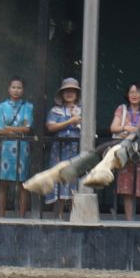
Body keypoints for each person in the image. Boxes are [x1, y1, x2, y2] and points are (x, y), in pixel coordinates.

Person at [111, 83, 140, 222]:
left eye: (137, 92)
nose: (134, 95)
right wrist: (126, 127)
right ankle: (129, 223)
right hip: (126, 152)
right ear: (127, 95)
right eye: (131, 92)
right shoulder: (121, 109)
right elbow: (113, 127)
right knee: (127, 191)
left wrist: (132, 130)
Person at [43, 77, 84, 220]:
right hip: (59, 152)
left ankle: (75, 215)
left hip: (76, 151)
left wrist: (77, 119)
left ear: (77, 94)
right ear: (62, 94)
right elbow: (50, 127)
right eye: (66, 91)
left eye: (73, 91)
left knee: (76, 182)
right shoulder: (55, 110)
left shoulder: (82, 110)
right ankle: (59, 215)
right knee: (59, 181)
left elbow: (88, 127)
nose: (69, 93)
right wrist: (70, 121)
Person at [0, 77, 35, 219]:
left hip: (22, 148)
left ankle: (22, 216)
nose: (16, 90)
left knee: (22, 184)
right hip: (5, 148)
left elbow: (27, 128)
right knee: (3, 183)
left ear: (23, 90)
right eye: (13, 87)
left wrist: (10, 128)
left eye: (19, 88)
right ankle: (1, 216)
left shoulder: (28, 107)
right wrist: (18, 129)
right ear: (8, 89)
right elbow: (0, 130)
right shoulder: (1, 107)